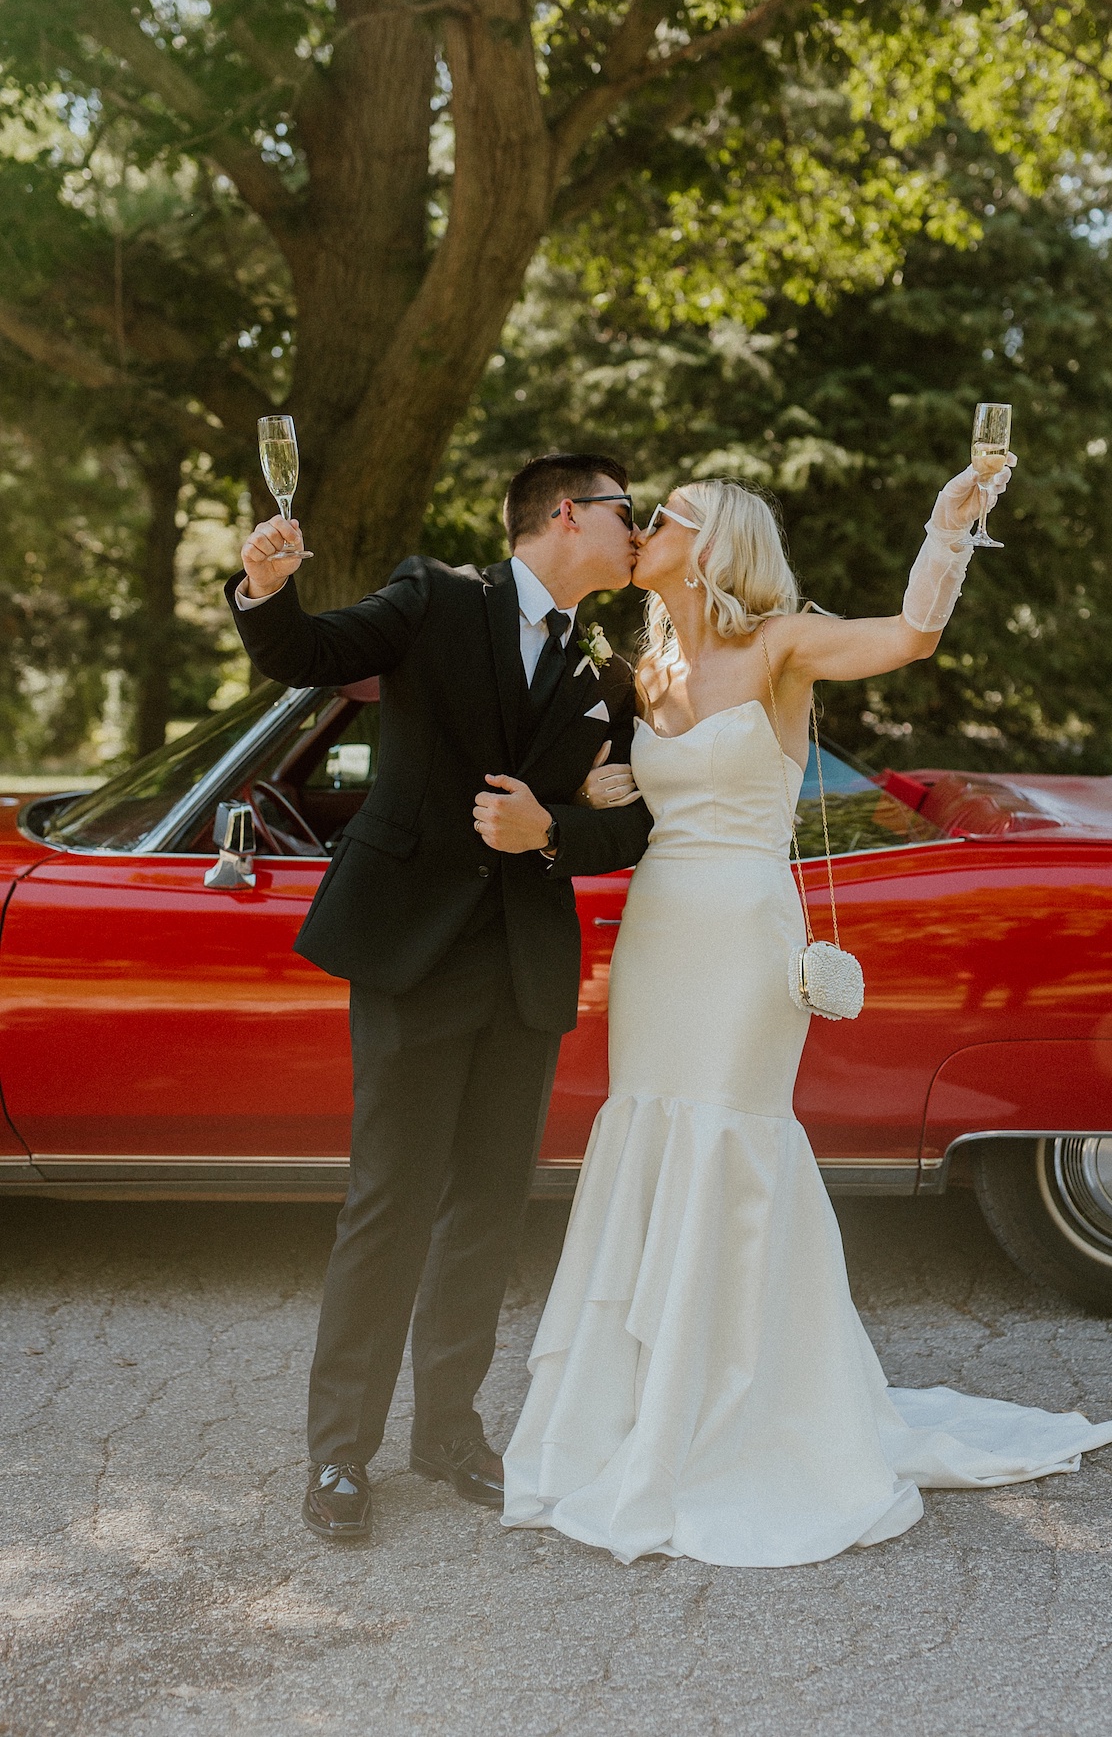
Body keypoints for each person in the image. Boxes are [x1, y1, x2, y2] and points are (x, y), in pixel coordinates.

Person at [502, 464, 1112, 1567]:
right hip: (661, 931)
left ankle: (752, 1407)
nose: (644, 529)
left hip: (745, 926)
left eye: (668, 518)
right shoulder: (645, 664)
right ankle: (643, 1402)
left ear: (714, 541)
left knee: (730, 1136)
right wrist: (585, 800)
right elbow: (601, 787)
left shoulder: (782, 643)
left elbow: (913, 635)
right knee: (649, 1117)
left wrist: (945, 527)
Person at [226, 453, 652, 1541]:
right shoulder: (433, 598)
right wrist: (268, 589)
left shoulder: (607, 665)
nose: (636, 530)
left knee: (487, 1212)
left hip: (522, 963)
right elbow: (310, 654)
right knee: (391, 1202)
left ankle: (450, 1431)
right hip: (413, 952)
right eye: (623, 513)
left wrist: (552, 829)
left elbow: (635, 820)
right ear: (566, 515)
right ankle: (338, 1458)